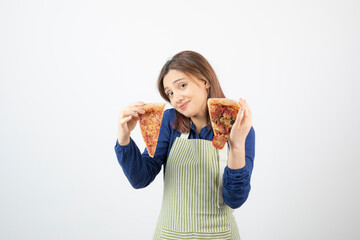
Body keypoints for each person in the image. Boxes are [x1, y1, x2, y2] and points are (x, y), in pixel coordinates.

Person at [115, 50, 255, 239]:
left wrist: (237, 145)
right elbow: (140, 178)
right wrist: (124, 139)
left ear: (204, 80)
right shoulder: (169, 122)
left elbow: (235, 199)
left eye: (182, 85)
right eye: (170, 93)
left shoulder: (237, 126)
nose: (176, 98)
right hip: (170, 235)